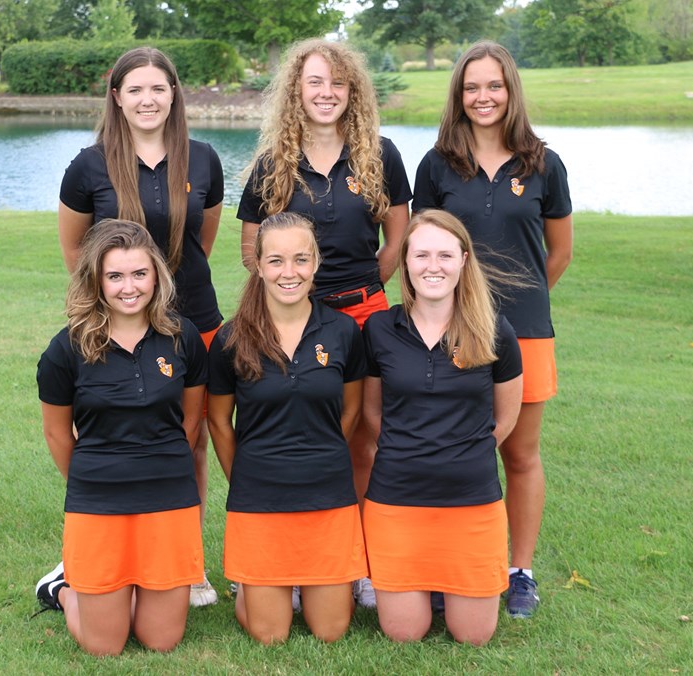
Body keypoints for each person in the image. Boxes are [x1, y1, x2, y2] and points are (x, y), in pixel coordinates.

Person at [236, 36, 412, 609]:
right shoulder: (273, 164)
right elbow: (250, 249)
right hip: (288, 315)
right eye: (315, 81)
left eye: (338, 83)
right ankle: (276, 562)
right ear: (297, 90)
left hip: (363, 312)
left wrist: (364, 289)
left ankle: (357, 564)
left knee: (363, 440)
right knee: (287, 433)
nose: (327, 93)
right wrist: (296, 295)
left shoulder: (379, 154)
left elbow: (398, 240)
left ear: (352, 91)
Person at [412, 40, 573, 619]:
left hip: (525, 331)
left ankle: (519, 570)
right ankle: (439, 566)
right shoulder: (436, 165)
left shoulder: (544, 163)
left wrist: (516, 304)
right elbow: (421, 247)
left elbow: (557, 254)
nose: (483, 97)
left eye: (494, 85)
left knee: (520, 454)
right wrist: (468, 308)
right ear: (458, 95)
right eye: (472, 86)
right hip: (449, 331)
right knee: (447, 449)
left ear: (511, 91)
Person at [57, 46, 224, 606]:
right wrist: (121, 302)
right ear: (117, 98)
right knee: (112, 432)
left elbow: (202, 243)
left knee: (190, 438)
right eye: (135, 90)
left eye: (158, 88)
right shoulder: (88, 165)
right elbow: (78, 254)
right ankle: (101, 548)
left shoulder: (202, 159)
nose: (147, 99)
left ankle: (187, 563)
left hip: (193, 321)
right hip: (116, 327)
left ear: (174, 94)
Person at [34, 220, 208, 655]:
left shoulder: (183, 337)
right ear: (96, 280)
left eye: (139, 274)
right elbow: (57, 433)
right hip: (98, 501)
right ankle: (61, 588)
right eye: (115, 276)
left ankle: (117, 591)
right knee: (104, 645)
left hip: (169, 497)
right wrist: (95, 481)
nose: (128, 287)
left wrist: (158, 465)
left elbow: (191, 423)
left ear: (156, 276)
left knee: (160, 640)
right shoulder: (66, 349)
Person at [361, 209, 523, 644]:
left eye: (446, 255)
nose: (434, 266)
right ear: (406, 262)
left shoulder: (495, 331)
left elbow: (506, 419)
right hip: (397, 502)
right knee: (404, 632)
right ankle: (424, 589)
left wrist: (461, 453)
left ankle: (446, 588)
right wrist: (410, 451)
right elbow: (372, 414)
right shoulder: (379, 329)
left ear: (464, 260)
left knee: (473, 635)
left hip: (471, 502)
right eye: (422, 255)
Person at [207, 213, 367, 644]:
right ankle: (258, 585)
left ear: (316, 262)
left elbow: (351, 413)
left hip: (327, 494)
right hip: (259, 497)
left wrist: (322, 456)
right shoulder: (231, 338)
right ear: (258, 265)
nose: (289, 272)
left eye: (300, 259)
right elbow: (219, 421)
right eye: (276, 261)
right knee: (270, 634)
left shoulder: (344, 332)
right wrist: (244, 476)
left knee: (331, 631)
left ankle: (309, 582)